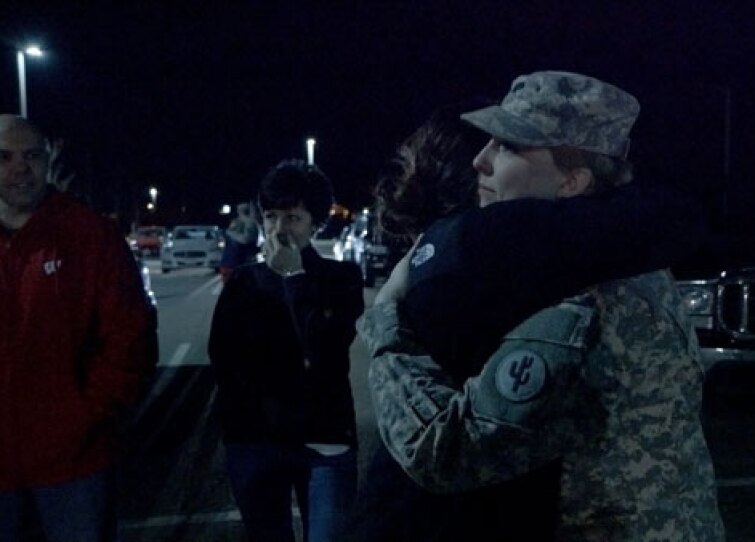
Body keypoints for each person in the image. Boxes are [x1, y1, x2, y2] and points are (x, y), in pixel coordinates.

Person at [358, 72, 725, 541]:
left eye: (508, 147)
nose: (479, 161)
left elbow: (442, 454)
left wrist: (388, 321)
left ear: (573, 181)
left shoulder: (579, 307)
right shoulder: (639, 266)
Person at [0, 114, 158, 542]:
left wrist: (85, 418)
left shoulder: (90, 236)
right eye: (4, 157)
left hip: (73, 466)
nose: (19, 168)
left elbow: (131, 338)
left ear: (49, 160)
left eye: (31, 156)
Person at [208, 159, 364, 542]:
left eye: (292, 217)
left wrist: (294, 279)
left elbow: (326, 349)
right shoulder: (243, 283)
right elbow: (223, 358)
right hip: (255, 441)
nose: (280, 230)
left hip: (323, 437)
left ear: (315, 222)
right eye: (272, 216)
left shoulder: (340, 279)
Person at [219, 200, 260, 282]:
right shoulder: (237, 221)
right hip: (231, 263)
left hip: (240, 263)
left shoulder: (250, 222)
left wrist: (230, 232)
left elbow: (246, 239)